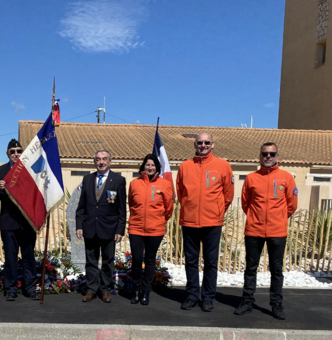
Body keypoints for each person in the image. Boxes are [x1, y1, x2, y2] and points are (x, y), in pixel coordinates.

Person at [234, 142, 298, 320]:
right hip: (254, 231)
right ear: (260, 156)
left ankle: (276, 304)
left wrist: (277, 219)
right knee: (250, 268)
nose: (268, 157)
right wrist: (256, 218)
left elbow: (292, 205)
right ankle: (247, 302)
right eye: (265, 154)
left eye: (271, 154)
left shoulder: (286, 178)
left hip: (277, 232)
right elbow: (246, 204)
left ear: (277, 156)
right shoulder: (251, 178)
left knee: (276, 270)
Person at [177, 132, 234, 312]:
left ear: (213, 144)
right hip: (190, 221)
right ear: (195, 145)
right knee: (191, 261)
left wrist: (216, 211)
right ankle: (192, 295)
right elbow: (181, 193)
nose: (203, 145)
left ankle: (208, 297)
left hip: (212, 222)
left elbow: (228, 194)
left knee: (210, 262)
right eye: (200, 142)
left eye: (206, 142)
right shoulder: (185, 166)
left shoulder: (223, 166)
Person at [76, 149, 127, 303]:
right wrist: (79, 225)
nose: (101, 162)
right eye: (98, 159)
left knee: (107, 261)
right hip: (90, 227)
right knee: (90, 261)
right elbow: (82, 205)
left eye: (104, 159)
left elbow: (121, 208)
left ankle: (105, 290)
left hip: (109, 228)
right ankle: (91, 289)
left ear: (109, 161)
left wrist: (120, 229)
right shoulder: (87, 179)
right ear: (95, 162)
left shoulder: (118, 180)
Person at [0, 139, 40, 301]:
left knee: (28, 257)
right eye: (12, 152)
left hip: (27, 222)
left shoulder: (31, 170)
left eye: (19, 151)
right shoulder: (0, 171)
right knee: (10, 258)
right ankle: (11, 288)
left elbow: (37, 194)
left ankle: (30, 288)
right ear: (8, 154)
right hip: (9, 222)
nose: (16, 154)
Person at [127, 154, 173, 306]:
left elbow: (169, 207)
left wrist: (160, 220)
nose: (150, 167)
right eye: (147, 165)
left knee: (150, 260)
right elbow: (131, 204)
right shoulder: (134, 183)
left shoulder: (164, 184)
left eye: (153, 165)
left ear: (157, 168)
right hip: (136, 228)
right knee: (137, 259)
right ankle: (135, 289)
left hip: (155, 230)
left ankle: (146, 291)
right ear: (143, 166)